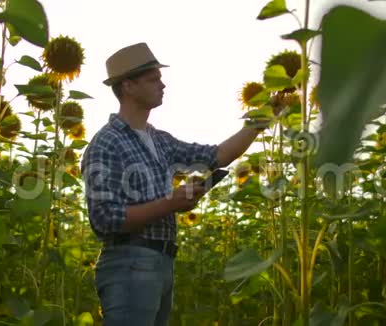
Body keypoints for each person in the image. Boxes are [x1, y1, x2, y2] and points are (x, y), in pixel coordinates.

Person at [81, 42, 266, 326]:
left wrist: (260, 120)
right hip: (129, 263)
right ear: (128, 86)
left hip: (162, 262)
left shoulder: (160, 140)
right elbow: (105, 219)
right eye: (153, 79)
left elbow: (214, 156)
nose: (163, 84)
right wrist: (170, 203)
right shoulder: (106, 143)